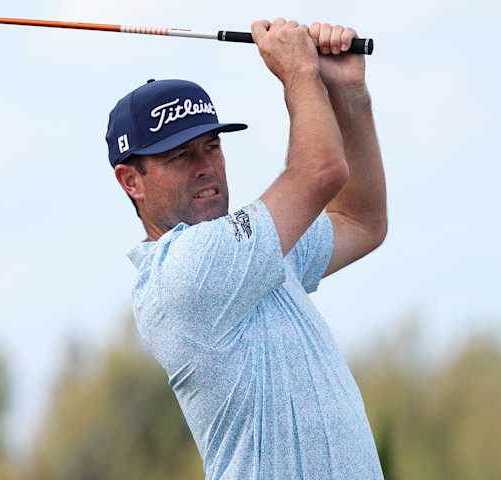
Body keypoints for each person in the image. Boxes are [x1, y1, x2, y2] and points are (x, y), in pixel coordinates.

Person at [106, 18, 387, 480]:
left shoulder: (251, 250)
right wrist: (299, 72)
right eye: (180, 156)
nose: (205, 166)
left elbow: (362, 221)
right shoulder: (184, 271)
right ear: (131, 181)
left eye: (211, 146)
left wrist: (349, 93)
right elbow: (320, 172)